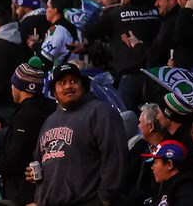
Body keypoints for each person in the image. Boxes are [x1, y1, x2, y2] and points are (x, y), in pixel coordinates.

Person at [34, 63, 127, 206]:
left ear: (83, 85)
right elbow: (40, 159)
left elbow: (115, 157)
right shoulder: (49, 121)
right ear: (54, 92)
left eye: (73, 81)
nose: (68, 86)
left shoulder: (101, 112)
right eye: (62, 83)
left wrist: (104, 198)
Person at [0, 58, 52, 205]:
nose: (11, 88)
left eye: (13, 84)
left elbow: (15, 161)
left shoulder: (27, 115)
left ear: (20, 87)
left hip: (25, 195)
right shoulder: (41, 110)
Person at [143, 140, 193, 206]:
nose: (152, 167)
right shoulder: (168, 185)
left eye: (155, 162)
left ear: (169, 164)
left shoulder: (188, 191)